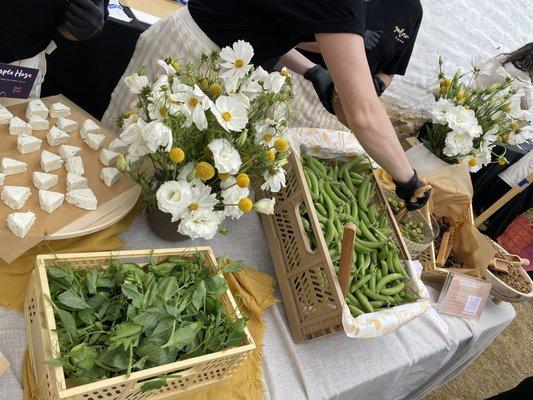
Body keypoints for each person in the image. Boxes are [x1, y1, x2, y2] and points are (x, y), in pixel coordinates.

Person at [103, 0, 431, 210]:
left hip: (217, 58)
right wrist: (408, 179)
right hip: (191, 56)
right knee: (123, 167)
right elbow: (363, 113)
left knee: (149, 172)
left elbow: (271, 22)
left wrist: (313, 70)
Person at [0, 0, 108, 102]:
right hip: (17, 58)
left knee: (11, 117)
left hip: (17, 66)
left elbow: (72, 20)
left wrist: (84, 23)